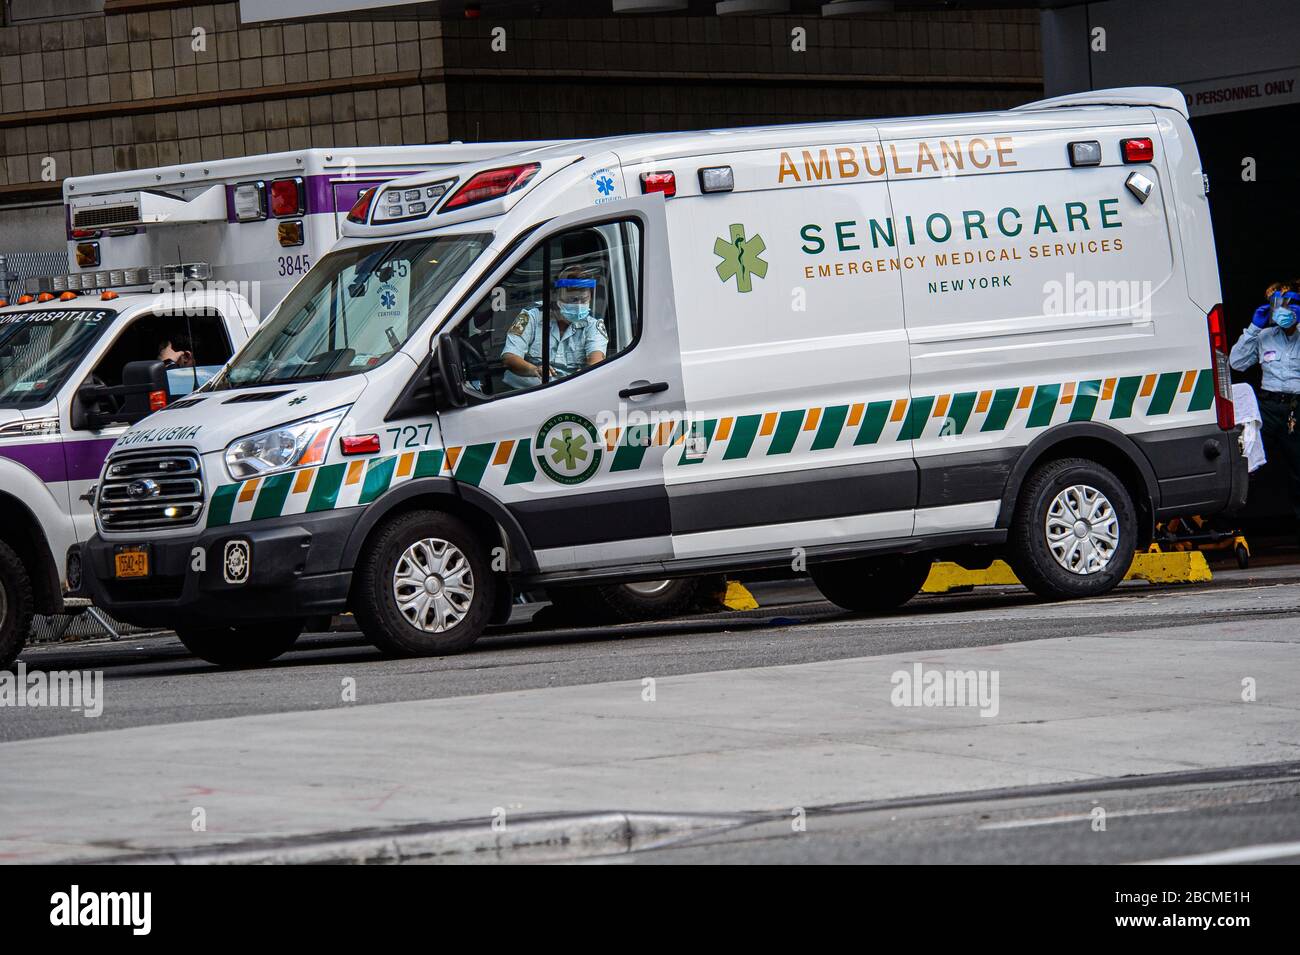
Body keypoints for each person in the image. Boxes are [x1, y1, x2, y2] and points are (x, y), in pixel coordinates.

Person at [1230, 282, 1300, 534]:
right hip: (1268, 407)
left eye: (1287, 304)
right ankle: (1235, 526)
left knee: (1298, 473)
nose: (1281, 310)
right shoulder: (1264, 335)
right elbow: (1236, 363)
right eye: (1276, 304)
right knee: (1250, 464)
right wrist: (1253, 328)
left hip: (1296, 408)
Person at [501, 266, 607, 391]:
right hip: (523, 392)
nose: (578, 305)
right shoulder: (531, 316)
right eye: (572, 300)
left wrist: (584, 374)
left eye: (584, 300)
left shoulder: (593, 325)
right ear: (555, 295)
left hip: (567, 393)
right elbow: (509, 358)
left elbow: (595, 362)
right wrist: (533, 369)